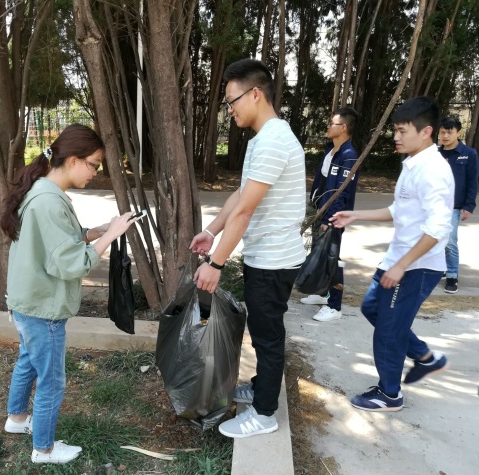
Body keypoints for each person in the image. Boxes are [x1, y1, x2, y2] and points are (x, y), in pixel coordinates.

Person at [0, 124, 137, 465]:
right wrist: (112, 236)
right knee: (52, 380)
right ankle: (44, 449)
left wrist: (98, 231)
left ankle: (16, 418)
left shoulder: (42, 190)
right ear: (73, 160)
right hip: (42, 307)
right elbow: (72, 263)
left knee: (29, 360)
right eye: (93, 164)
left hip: (27, 301)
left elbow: (59, 241)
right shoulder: (49, 201)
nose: (95, 172)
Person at [189, 59, 306, 438]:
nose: (230, 109)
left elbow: (245, 212)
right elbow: (240, 196)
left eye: (232, 100)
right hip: (267, 257)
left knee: (268, 336)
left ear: (255, 94)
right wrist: (211, 231)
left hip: (275, 259)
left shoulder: (273, 141)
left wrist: (215, 263)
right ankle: (260, 388)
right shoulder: (264, 139)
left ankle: (265, 414)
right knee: (262, 331)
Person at [330, 97, 452, 412]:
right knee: (373, 308)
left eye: (402, 131)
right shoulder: (413, 163)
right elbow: (399, 211)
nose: (396, 137)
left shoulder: (434, 171)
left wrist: (402, 266)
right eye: (395, 130)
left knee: (389, 326)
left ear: (426, 131)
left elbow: (438, 229)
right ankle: (425, 357)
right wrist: (356, 216)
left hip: (415, 266)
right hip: (398, 259)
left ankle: (389, 394)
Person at [301, 107, 360, 321]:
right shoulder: (331, 150)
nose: (328, 127)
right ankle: (321, 293)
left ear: (343, 127)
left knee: (332, 258)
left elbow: (342, 192)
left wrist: (330, 218)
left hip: (334, 216)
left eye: (332, 123)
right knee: (320, 253)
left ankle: (335, 306)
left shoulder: (349, 156)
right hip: (320, 211)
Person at [438, 117, 478, 294]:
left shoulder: (469, 154)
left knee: (450, 242)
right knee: (434, 238)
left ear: (458, 133)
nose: (445, 136)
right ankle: (441, 268)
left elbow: (472, 182)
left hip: (454, 206)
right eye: (442, 132)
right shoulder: (435, 154)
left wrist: (468, 206)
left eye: (449, 132)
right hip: (434, 205)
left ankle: (452, 276)